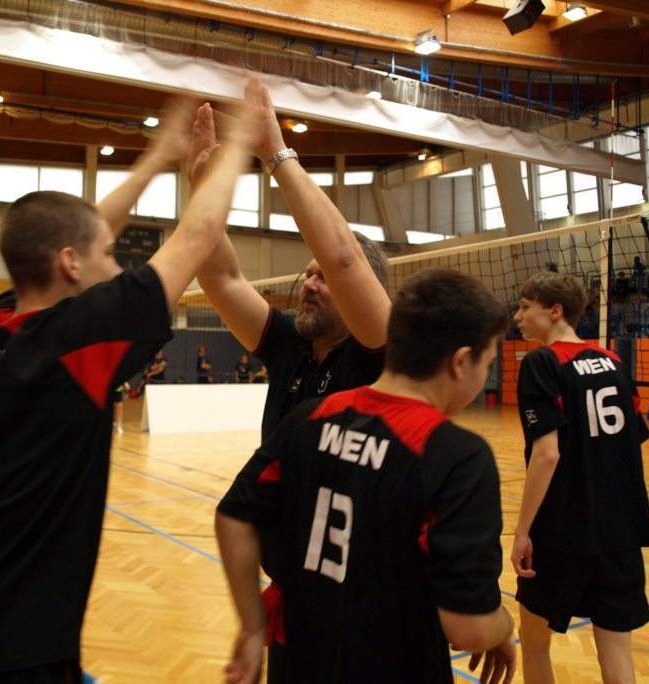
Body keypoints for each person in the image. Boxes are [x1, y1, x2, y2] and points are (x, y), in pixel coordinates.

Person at [0, 88, 255, 683]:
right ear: (69, 264)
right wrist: (242, 140)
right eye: (111, 256)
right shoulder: (71, 345)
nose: (116, 267)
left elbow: (79, 234)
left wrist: (156, 158)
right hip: (15, 659)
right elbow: (198, 234)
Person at [216, 268, 515, 684]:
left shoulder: (310, 417)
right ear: (461, 362)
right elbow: (469, 629)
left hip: (301, 660)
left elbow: (232, 516)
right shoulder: (457, 456)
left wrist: (252, 627)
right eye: (488, 363)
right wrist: (502, 624)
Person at [191, 78, 392, 681]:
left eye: (320, 276)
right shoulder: (287, 341)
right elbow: (222, 279)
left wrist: (275, 153)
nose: (309, 282)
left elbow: (345, 257)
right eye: (306, 274)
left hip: (367, 598)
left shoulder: (379, 350)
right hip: (294, 594)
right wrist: (202, 188)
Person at [510, 271, 649, 684]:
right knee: (617, 656)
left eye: (525, 307)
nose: (517, 316)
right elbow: (631, 443)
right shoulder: (615, 362)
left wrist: (522, 531)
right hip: (620, 532)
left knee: (534, 645)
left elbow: (547, 454)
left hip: (562, 531)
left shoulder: (542, 362)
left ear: (555, 311)